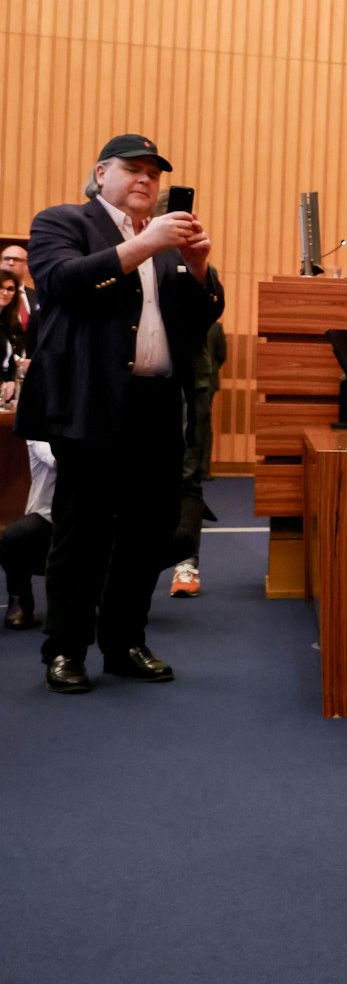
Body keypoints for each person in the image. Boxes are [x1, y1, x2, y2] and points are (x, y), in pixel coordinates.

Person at [15, 135, 225, 693]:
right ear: (101, 172)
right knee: (81, 531)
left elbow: (201, 317)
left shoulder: (168, 241)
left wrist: (198, 267)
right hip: (92, 403)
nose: (146, 181)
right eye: (134, 169)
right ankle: (66, 648)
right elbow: (61, 281)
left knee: (148, 531)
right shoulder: (63, 221)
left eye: (154, 174)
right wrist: (147, 243)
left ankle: (125, 640)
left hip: (157, 404)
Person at [168, 313, 228, 597]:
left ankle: (186, 564)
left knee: (189, 475)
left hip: (192, 384)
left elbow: (213, 302)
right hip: (136, 381)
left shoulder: (210, 322)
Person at [2, 440, 54, 630]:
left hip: (92, 523)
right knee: (15, 538)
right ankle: (19, 598)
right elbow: (58, 459)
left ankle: (101, 594)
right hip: (47, 521)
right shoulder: (39, 433)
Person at [0, 242, 36, 349]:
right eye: (6, 259)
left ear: (27, 265)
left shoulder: (37, 296)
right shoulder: (3, 297)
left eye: (16, 260)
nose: (10, 263)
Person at [0, 274, 26, 407]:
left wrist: (10, 380)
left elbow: (10, 357)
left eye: (10, 289)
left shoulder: (8, 322)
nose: (5, 293)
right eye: (0, 287)